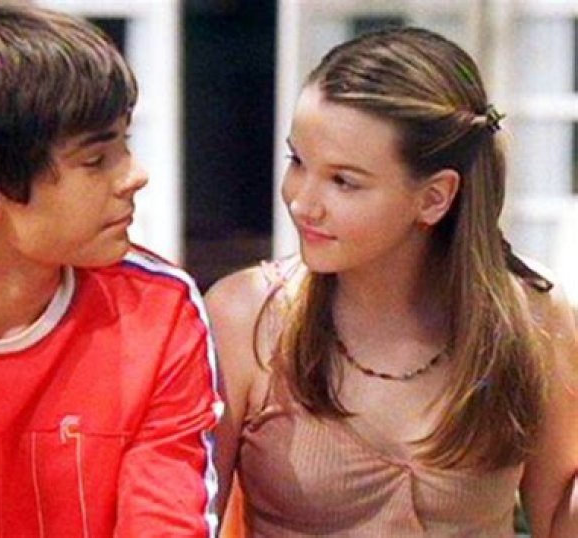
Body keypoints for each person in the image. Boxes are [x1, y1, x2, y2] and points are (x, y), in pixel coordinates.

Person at [0, 5, 221, 536]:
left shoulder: (159, 312)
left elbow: (165, 521)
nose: (135, 176)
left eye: (125, 144)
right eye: (95, 161)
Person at [207, 27, 578, 537]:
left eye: (343, 181)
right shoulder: (245, 316)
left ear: (434, 198)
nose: (302, 202)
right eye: (298, 162)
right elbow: (187, 520)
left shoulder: (533, 314)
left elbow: (560, 520)